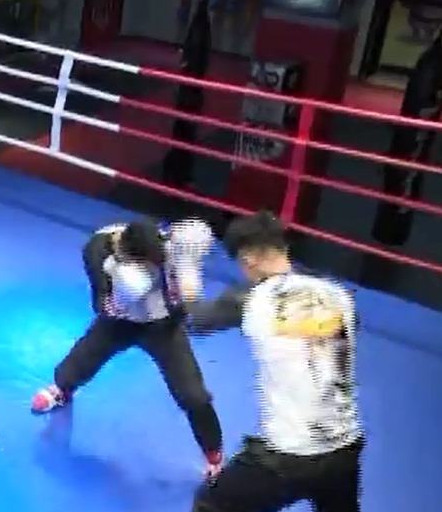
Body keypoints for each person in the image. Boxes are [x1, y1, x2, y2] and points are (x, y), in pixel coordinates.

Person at [188, 211, 362, 512]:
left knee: (210, 504)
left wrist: (186, 271)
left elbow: (196, 321)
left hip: (287, 457)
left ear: (248, 259)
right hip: (345, 450)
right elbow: (350, 325)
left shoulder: (249, 298)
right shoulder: (337, 294)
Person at [31, 218, 225, 478]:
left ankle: (214, 454)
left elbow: (187, 287)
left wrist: (186, 283)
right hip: (119, 322)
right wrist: (123, 297)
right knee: (83, 358)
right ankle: (62, 390)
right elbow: (101, 303)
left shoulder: (171, 247)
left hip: (164, 327)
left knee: (194, 395)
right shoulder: (99, 250)